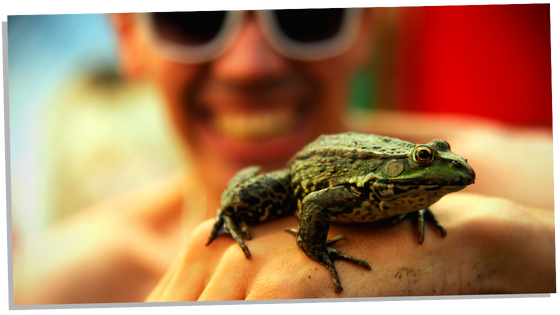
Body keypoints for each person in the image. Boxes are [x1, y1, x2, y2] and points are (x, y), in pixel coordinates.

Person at [13, 7, 557, 304]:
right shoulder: (51, 284)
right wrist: (315, 250)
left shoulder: (536, 175)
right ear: (128, 34)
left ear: (369, 24)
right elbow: (317, 201)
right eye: (193, 16)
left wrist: (510, 246)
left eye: (306, 13)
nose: (249, 66)